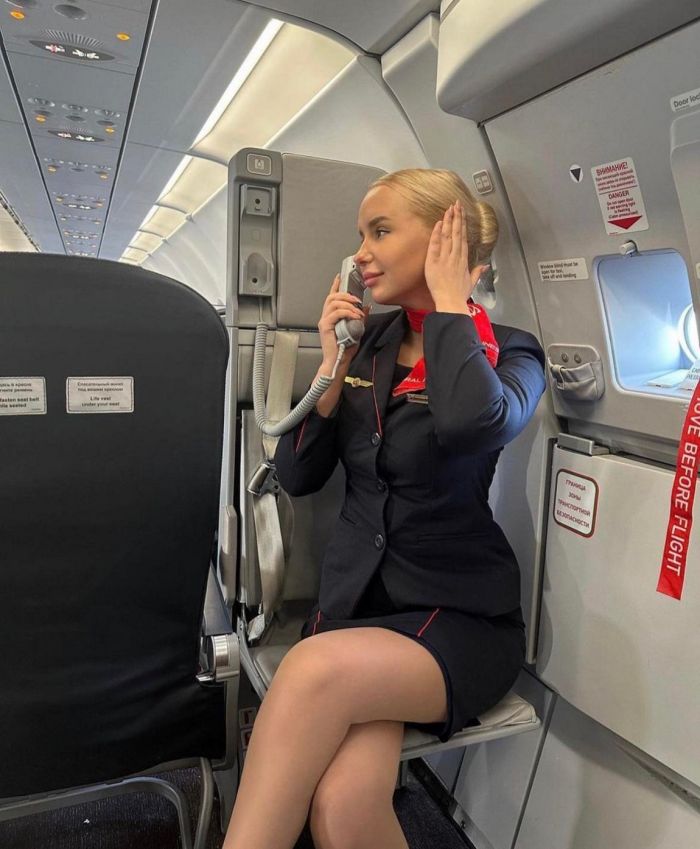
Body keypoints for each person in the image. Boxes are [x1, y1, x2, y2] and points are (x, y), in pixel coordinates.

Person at [223, 169, 546, 849]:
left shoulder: (513, 350)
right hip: (356, 610)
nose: (360, 254)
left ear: (444, 238)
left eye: (380, 232)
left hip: (457, 616)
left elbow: (473, 424)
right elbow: (297, 476)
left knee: (311, 672)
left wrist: (451, 306)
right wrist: (330, 366)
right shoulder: (365, 342)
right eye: (360, 236)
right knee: (342, 808)